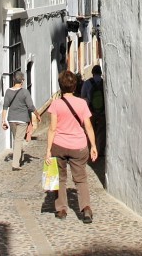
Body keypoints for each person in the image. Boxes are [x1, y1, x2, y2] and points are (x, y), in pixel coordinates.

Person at [45, 69, 99, 223]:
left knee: (60, 178)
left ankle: (61, 209)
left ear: (60, 86)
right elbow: (88, 126)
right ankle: (86, 208)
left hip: (59, 145)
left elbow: (52, 128)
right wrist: (93, 145)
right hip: (79, 146)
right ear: (75, 86)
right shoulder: (82, 103)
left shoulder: (56, 104)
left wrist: (48, 150)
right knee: (81, 178)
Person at [1, 71, 39, 170]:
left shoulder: (8, 91)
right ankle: (15, 164)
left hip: (12, 119)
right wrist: (37, 114)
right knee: (18, 140)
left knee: (17, 139)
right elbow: (30, 106)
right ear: (22, 81)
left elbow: (5, 107)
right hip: (22, 120)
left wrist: (3, 120)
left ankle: (19, 158)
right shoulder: (25, 92)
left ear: (14, 80)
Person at [80, 65, 106, 153]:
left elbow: (83, 97)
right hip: (102, 111)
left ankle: (91, 148)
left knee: (90, 129)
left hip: (90, 111)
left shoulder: (87, 83)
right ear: (101, 73)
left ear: (92, 73)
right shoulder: (104, 83)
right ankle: (100, 150)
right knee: (101, 131)